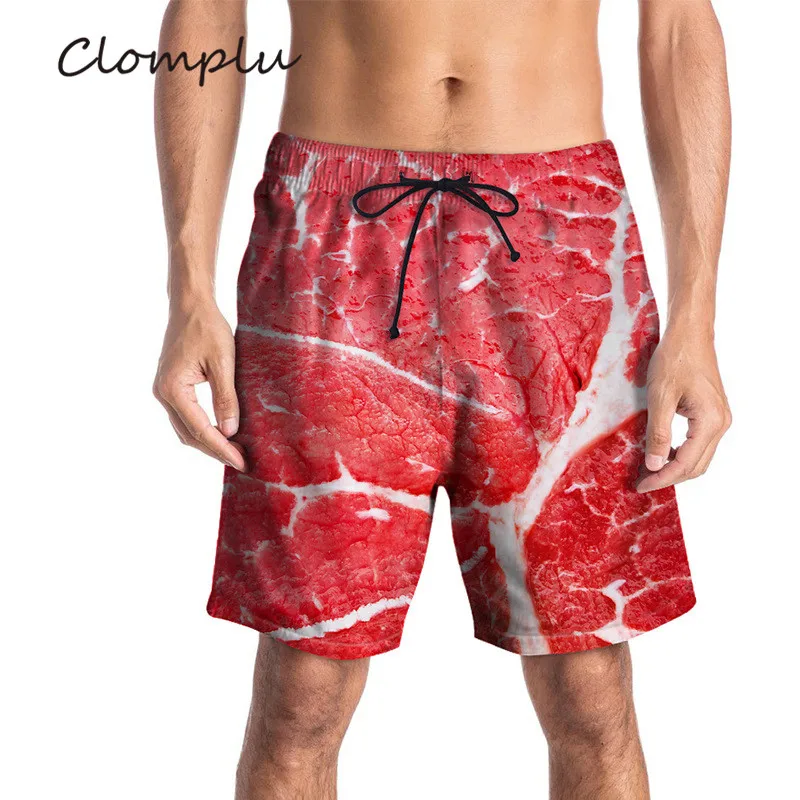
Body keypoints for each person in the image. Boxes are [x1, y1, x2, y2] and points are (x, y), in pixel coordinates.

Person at [153, 1, 731, 798]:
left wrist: (696, 318)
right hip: (331, 231)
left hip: (561, 234)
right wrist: (188, 286)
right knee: (304, 687)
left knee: (589, 685)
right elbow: (210, 10)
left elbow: (677, 27)